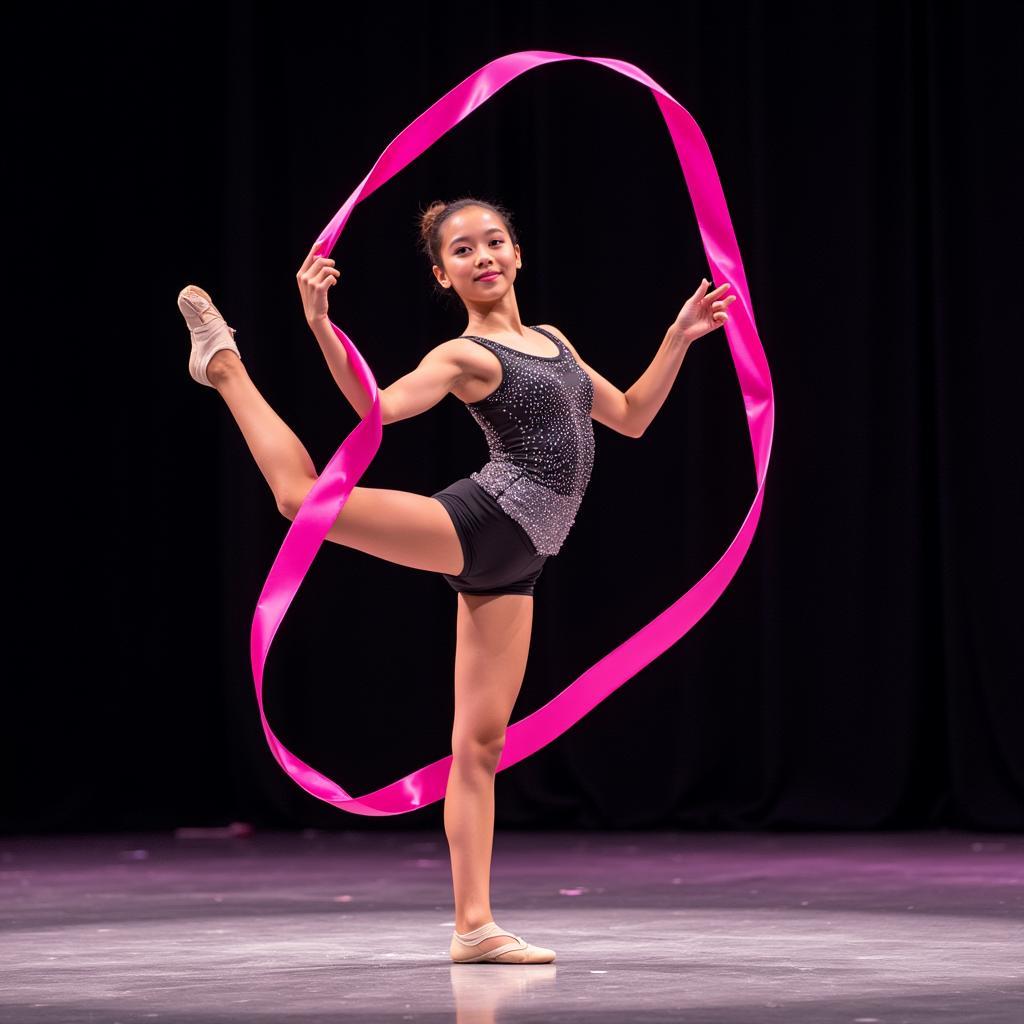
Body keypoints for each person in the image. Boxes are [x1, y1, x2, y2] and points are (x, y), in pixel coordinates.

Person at [177, 197, 735, 964]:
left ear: (517, 253)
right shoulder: (463, 356)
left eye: (494, 242)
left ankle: (473, 927)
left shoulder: (555, 342)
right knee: (302, 499)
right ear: (444, 275)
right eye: (463, 251)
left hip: (524, 561)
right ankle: (225, 367)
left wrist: (677, 338)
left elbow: (633, 416)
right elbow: (375, 409)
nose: (484, 257)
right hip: (485, 522)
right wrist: (318, 324)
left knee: (479, 746)